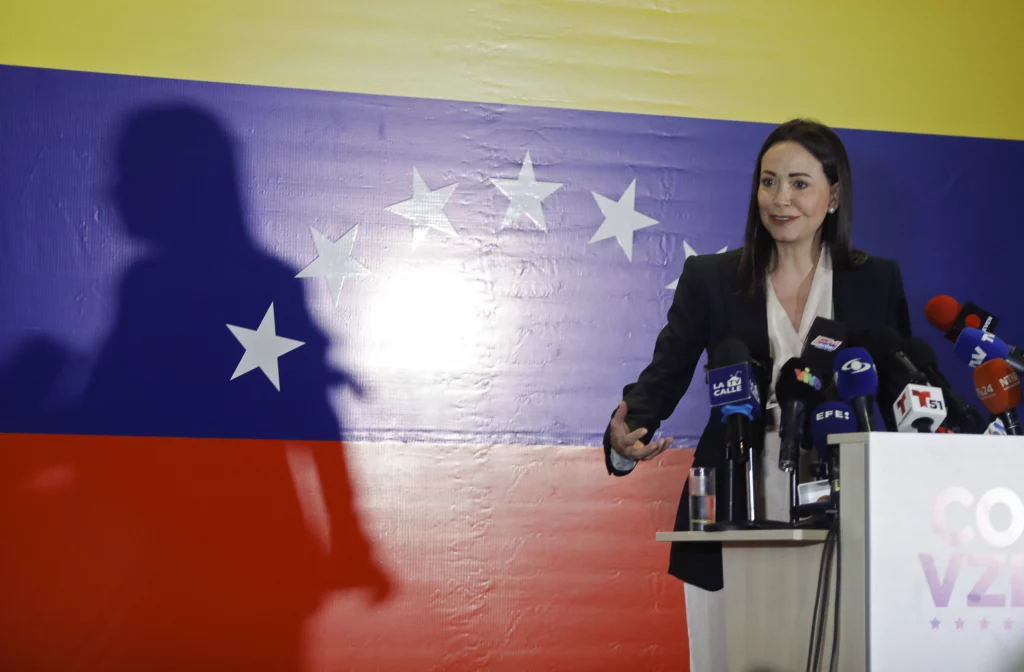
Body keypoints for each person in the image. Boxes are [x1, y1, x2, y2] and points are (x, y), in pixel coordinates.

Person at [602, 118, 912, 670]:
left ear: (833, 196)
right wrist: (625, 437)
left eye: (799, 183)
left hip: (844, 498)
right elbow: (665, 375)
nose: (780, 198)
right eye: (768, 182)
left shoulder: (875, 280)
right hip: (732, 491)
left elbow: (898, 387)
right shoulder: (711, 278)